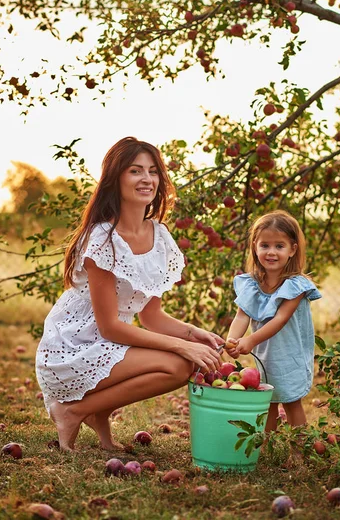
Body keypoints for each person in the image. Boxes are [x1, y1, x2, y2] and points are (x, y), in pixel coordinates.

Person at [35, 136, 224, 451]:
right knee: (177, 364)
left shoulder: (159, 236)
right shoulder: (103, 239)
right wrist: (181, 347)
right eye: (135, 171)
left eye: (152, 171)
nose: (147, 179)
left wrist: (194, 334)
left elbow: (151, 316)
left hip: (108, 343)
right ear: (116, 178)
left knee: (183, 362)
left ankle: (97, 413)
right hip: (71, 347)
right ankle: (74, 410)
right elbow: (109, 325)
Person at [225, 210, 321, 432]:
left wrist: (249, 341)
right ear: (255, 247)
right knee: (267, 399)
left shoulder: (295, 285)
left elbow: (280, 319)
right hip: (266, 354)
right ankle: (268, 445)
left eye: (279, 246)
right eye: (265, 245)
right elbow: (242, 315)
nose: (271, 252)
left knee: (290, 400)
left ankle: (300, 447)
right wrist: (233, 338)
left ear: (292, 250)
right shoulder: (251, 284)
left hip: (290, 353)